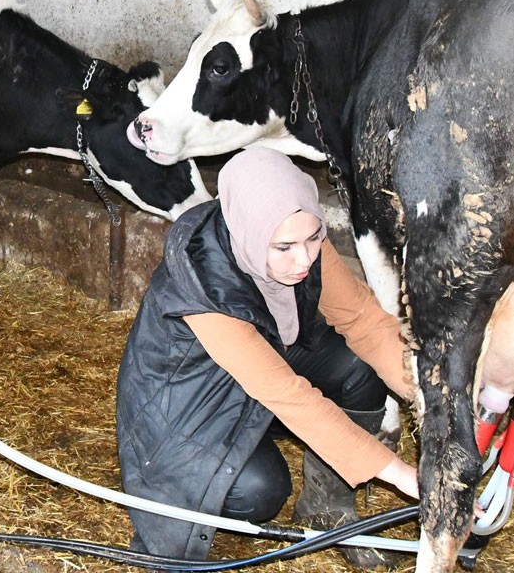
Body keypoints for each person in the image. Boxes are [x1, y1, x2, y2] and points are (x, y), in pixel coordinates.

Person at [116, 146, 417, 569]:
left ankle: (325, 509)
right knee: (260, 491)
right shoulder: (205, 287)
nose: (304, 260)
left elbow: (365, 320)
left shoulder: (298, 238)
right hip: (188, 401)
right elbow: (286, 393)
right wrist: (400, 473)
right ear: (248, 233)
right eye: (285, 247)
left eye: (314, 238)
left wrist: (432, 397)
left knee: (358, 368)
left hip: (261, 366)